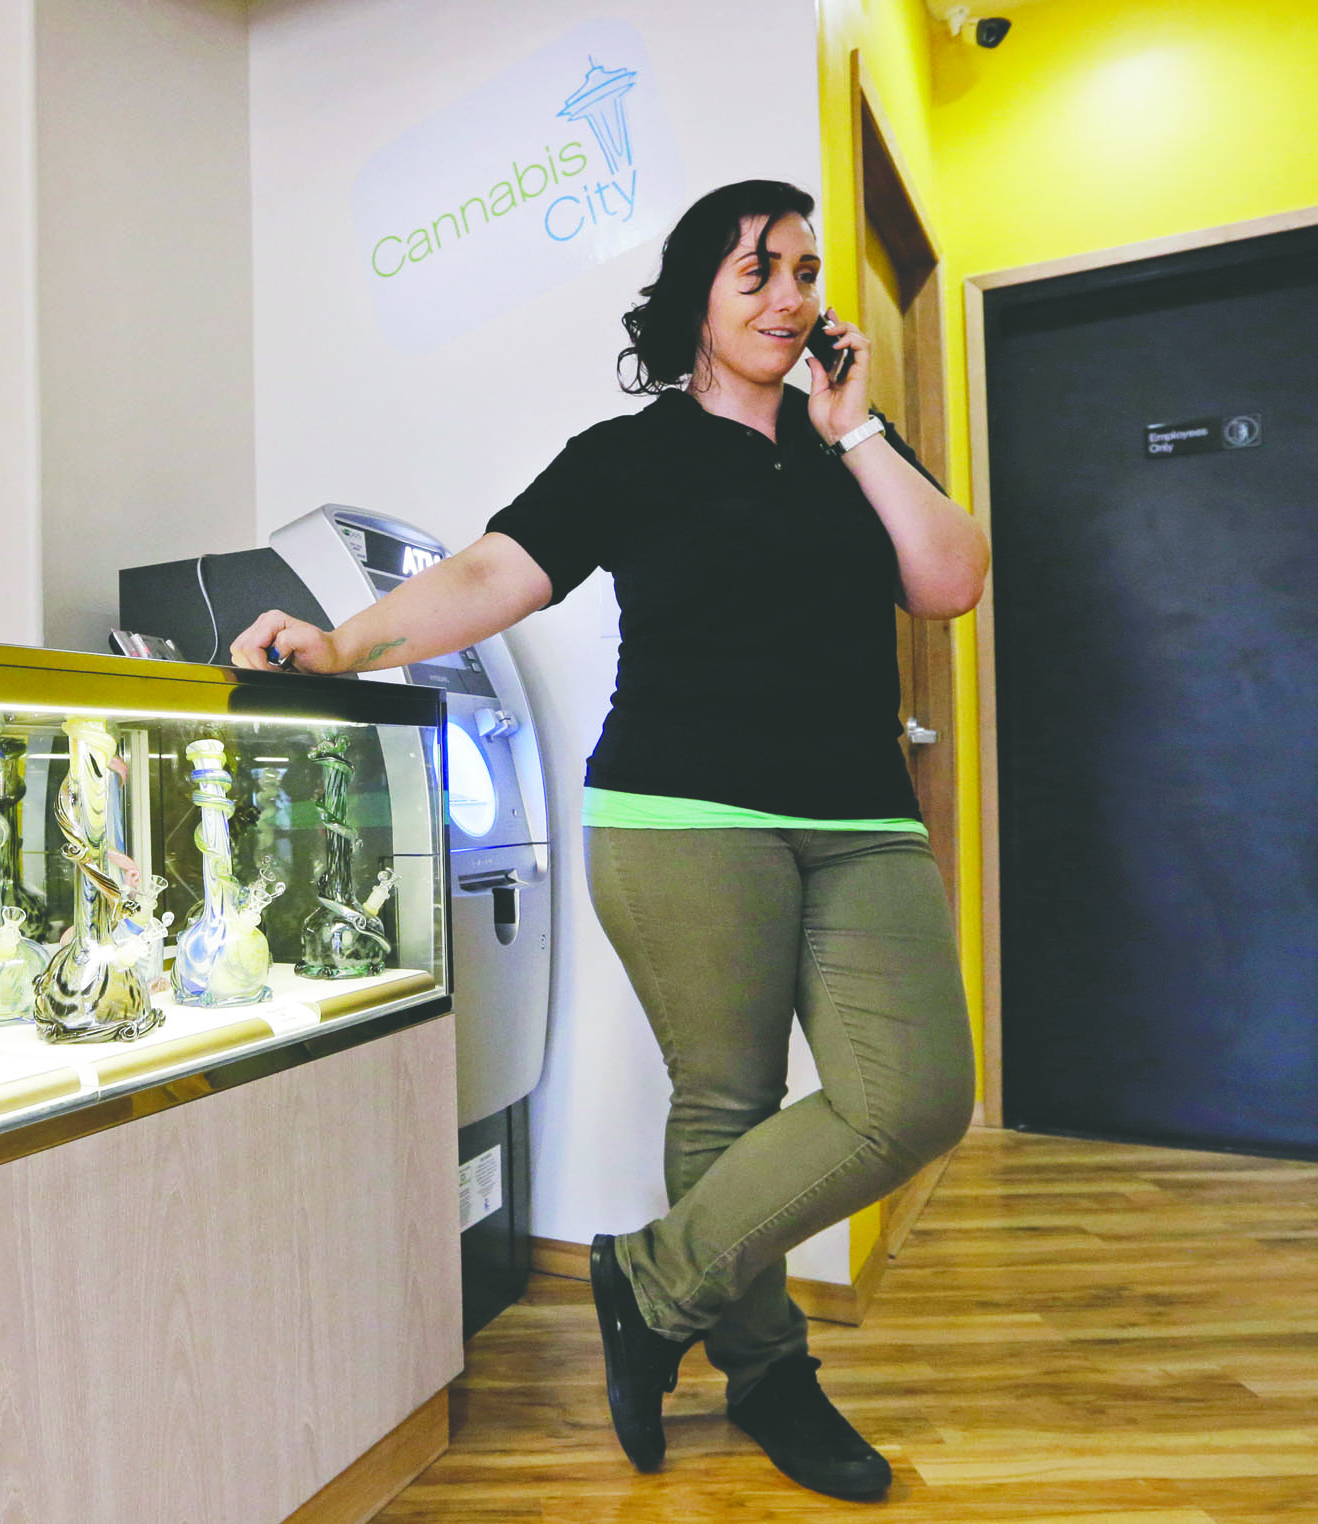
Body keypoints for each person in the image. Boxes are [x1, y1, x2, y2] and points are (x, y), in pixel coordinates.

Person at [230, 180, 985, 1499]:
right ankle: (770, 1375)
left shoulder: (852, 444)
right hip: (681, 817)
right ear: (697, 297)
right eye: (757, 271)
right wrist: (343, 646)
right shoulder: (627, 457)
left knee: (915, 1095)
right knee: (727, 1101)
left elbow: (952, 580)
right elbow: (491, 574)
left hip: (862, 816)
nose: (791, 295)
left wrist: (859, 429)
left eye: (805, 272)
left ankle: (649, 1281)